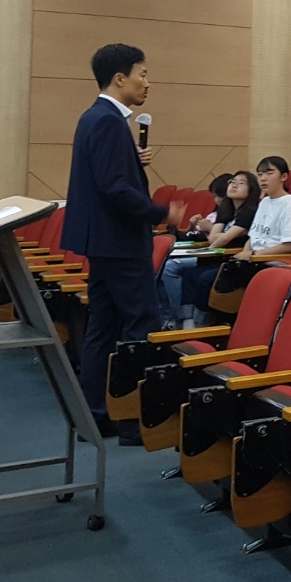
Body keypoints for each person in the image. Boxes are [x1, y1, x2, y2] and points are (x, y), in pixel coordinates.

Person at [62, 43, 184, 444]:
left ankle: (95, 413)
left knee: (103, 327)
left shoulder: (94, 117)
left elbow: (109, 176)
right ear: (120, 78)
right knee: (141, 326)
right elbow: (114, 188)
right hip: (120, 243)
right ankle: (133, 419)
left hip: (103, 242)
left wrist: (133, 161)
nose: (147, 83)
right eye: (142, 74)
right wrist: (161, 212)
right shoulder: (109, 122)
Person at [159, 170, 258, 328]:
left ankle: (192, 322)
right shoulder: (226, 209)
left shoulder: (249, 211)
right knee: (177, 269)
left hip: (229, 258)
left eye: (241, 183)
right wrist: (218, 237)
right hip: (215, 253)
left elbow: (222, 238)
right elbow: (213, 238)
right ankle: (183, 320)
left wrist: (217, 238)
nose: (234, 185)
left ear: (251, 190)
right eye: (232, 182)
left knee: (188, 272)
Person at [227, 157, 291, 278]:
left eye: (269, 173)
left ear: (283, 177)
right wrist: (244, 253)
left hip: (271, 261)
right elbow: (253, 237)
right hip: (254, 259)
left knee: (209, 278)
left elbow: (290, 246)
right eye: (259, 174)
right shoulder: (265, 201)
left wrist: (254, 254)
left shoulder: (290, 204)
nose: (263, 178)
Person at [183, 173, 233, 238]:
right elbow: (194, 234)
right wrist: (193, 225)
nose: (217, 200)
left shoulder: (238, 216)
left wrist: (211, 228)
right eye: (214, 196)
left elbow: (231, 239)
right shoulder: (214, 215)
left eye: (221, 196)